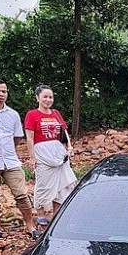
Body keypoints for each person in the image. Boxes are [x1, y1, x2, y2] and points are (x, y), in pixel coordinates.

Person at [0, 78, 41, 241]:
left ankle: (30, 226)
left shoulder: (13, 114)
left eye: (4, 91)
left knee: (21, 193)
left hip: (10, 160)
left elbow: (17, 138)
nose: (1, 94)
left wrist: (9, 151)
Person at [24, 84, 77, 225]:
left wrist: (69, 147)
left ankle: (56, 214)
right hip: (42, 153)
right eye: (45, 96)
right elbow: (29, 137)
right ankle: (40, 213)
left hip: (58, 152)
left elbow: (64, 132)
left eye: (50, 97)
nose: (48, 99)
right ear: (37, 97)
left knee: (61, 183)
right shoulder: (32, 114)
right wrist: (32, 157)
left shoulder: (56, 113)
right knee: (43, 183)